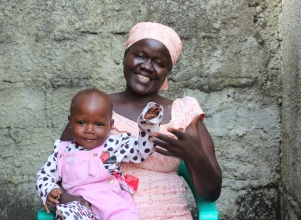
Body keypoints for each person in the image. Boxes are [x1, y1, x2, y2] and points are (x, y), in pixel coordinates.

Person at [59, 22, 222, 219]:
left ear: (168, 71)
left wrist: (195, 156)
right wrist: (72, 202)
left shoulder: (183, 113)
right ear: (125, 56)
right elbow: (60, 169)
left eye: (159, 63)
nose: (147, 67)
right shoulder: (95, 109)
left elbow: (212, 193)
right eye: (140, 56)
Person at [37, 88, 164, 219]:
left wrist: (148, 125)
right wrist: (49, 190)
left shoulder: (113, 144)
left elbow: (141, 151)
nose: (89, 130)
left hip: (111, 205)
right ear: (70, 121)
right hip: (78, 208)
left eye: (98, 124)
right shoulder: (62, 150)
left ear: (110, 125)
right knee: (67, 214)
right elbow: (44, 174)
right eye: (81, 122)